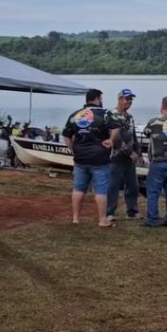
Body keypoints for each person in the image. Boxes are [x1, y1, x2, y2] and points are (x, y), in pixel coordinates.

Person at [62, 88, 116, 228]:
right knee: (101, 190)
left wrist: (73, 149)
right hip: (99, 158)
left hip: (80, 158)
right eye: (101, 98)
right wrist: (111, 140)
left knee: (78, 188)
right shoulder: (104, 114)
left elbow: (66, 135)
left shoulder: (75, 115)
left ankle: (75, 218)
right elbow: (116, 127)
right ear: (97, 99)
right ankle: (102, 219)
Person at [143, 96, 167, 227]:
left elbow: (146, 132)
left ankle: (152, 219)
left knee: (153, 192)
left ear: (162, 107)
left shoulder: (155, 122)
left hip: (158, 161)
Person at [107, 88, 142, 221]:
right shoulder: (112, 115)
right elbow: (115, 138)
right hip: (116, 157)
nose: (129, 102)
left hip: (130, 158)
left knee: (133, 185)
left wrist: (138, 152)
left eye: (131, 99)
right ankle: (109, 212)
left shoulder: (130, 117)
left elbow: (133, 136)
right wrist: (129, 153)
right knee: (113, 186)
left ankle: (132, 211)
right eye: (127, 99)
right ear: (120, 99)